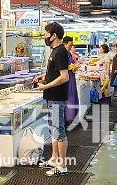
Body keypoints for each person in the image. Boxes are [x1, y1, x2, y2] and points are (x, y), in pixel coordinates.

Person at [33, 22, 70, 176]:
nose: (45, 36)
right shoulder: (54, 50)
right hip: (51, 96)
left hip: (56, 97)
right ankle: (54, 158)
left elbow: (64, 77)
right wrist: (44, 77)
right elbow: (55, 72)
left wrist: (45, 86)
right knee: (53, 129)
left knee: (59, 131)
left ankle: (62, 166)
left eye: (46, 33)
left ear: (54, 35)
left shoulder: (60, 51)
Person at [62, 36, 79, 123]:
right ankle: (68, 117)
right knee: (68, 97)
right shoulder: (62, 53)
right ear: (65, 44)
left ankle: (72, 116)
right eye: (70, 45)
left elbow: (70, 64)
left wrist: (74, 66)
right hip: (66, 78)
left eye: (72, 45)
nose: (71, 46)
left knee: (72, 95)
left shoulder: (68, 53)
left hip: (71, 77)